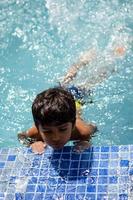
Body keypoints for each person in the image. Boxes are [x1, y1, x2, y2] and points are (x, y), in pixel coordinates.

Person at [18, 45, 126, 154]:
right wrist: (32, 143)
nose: (56, 138)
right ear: (38, 127)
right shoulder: (35, 132)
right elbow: (22, 136)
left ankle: (113, 56)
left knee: (95, 79)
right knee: (66, 79)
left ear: (73, 124)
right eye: (47, 131)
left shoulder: (83, 131)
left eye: (63, 129)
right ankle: (82, 60)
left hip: (77, 98)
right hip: (59, 94)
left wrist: (86, 141)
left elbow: (94, 129)